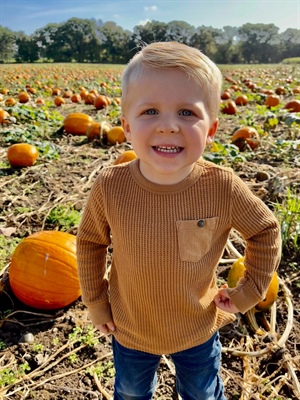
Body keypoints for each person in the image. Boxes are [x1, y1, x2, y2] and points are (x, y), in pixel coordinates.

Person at [76, 41, 281, 400]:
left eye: (187, 113)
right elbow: (91, 243)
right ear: (126, 125)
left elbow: (265, 231)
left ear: (212, 129)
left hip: (196, 328)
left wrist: (250, 291)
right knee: (130, 392)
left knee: (201, 394)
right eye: (150, 111)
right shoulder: (111, 185)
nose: (169, 126)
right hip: (131, 328)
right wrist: (95, 301)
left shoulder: (222, 186)